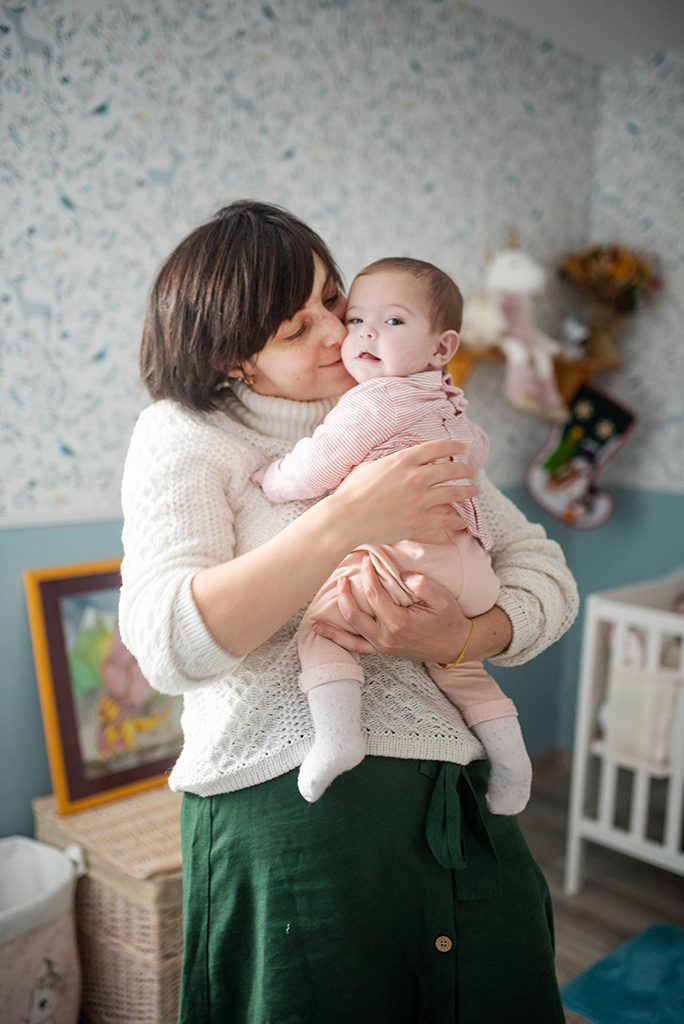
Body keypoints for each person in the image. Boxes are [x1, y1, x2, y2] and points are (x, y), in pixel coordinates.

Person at [119, 200, 578, 1024]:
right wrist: (344, 520)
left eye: (332, 299)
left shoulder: (399, 406)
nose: (340, 332)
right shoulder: (184, 436)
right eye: (297, 329)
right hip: (289, 818)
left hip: (457, 806)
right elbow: (167, 647)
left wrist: (466, 636)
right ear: (234, 359)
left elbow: (540, 571)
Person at [254, 256, 532, 813]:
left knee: (326, 629)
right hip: (473, 572)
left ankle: (337, 737)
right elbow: (474, 452)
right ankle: (514, 767)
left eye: (394, 322)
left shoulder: (375, 401)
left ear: (443, 347)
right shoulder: (447, 398)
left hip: (409, 560)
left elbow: (316, 466)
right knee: (462, 667)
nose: (366, 335)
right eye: (357, 321)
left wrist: (270, 477)